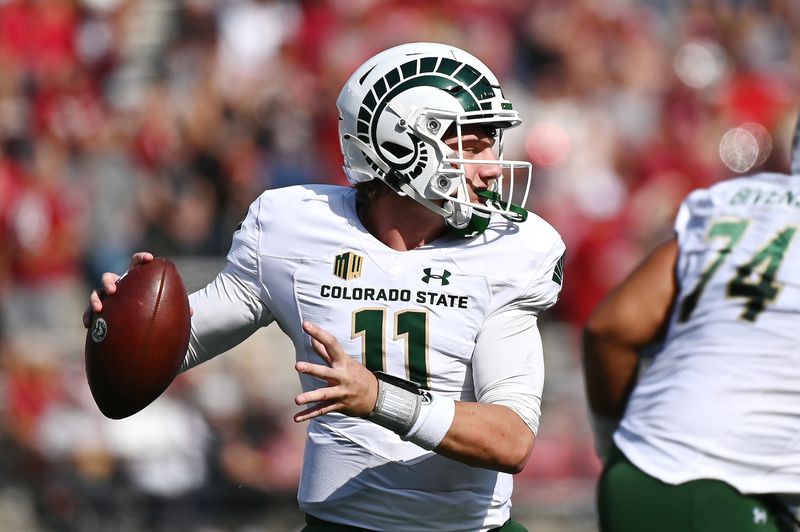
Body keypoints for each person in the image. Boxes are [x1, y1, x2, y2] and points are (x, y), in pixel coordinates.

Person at [84, 42, 566, 532]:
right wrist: (121, 322)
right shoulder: (292, 228)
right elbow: (166, 349)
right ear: (398, 146)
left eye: (492, 143)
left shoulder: (512, 249)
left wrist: (379, 398)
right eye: (469, 145)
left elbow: (511, 440)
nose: (490, 166)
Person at [582, 113, 800, 532]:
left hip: (643, 470)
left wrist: (617, 444)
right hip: (719, 481)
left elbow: (614, 327)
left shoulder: (738, 201)